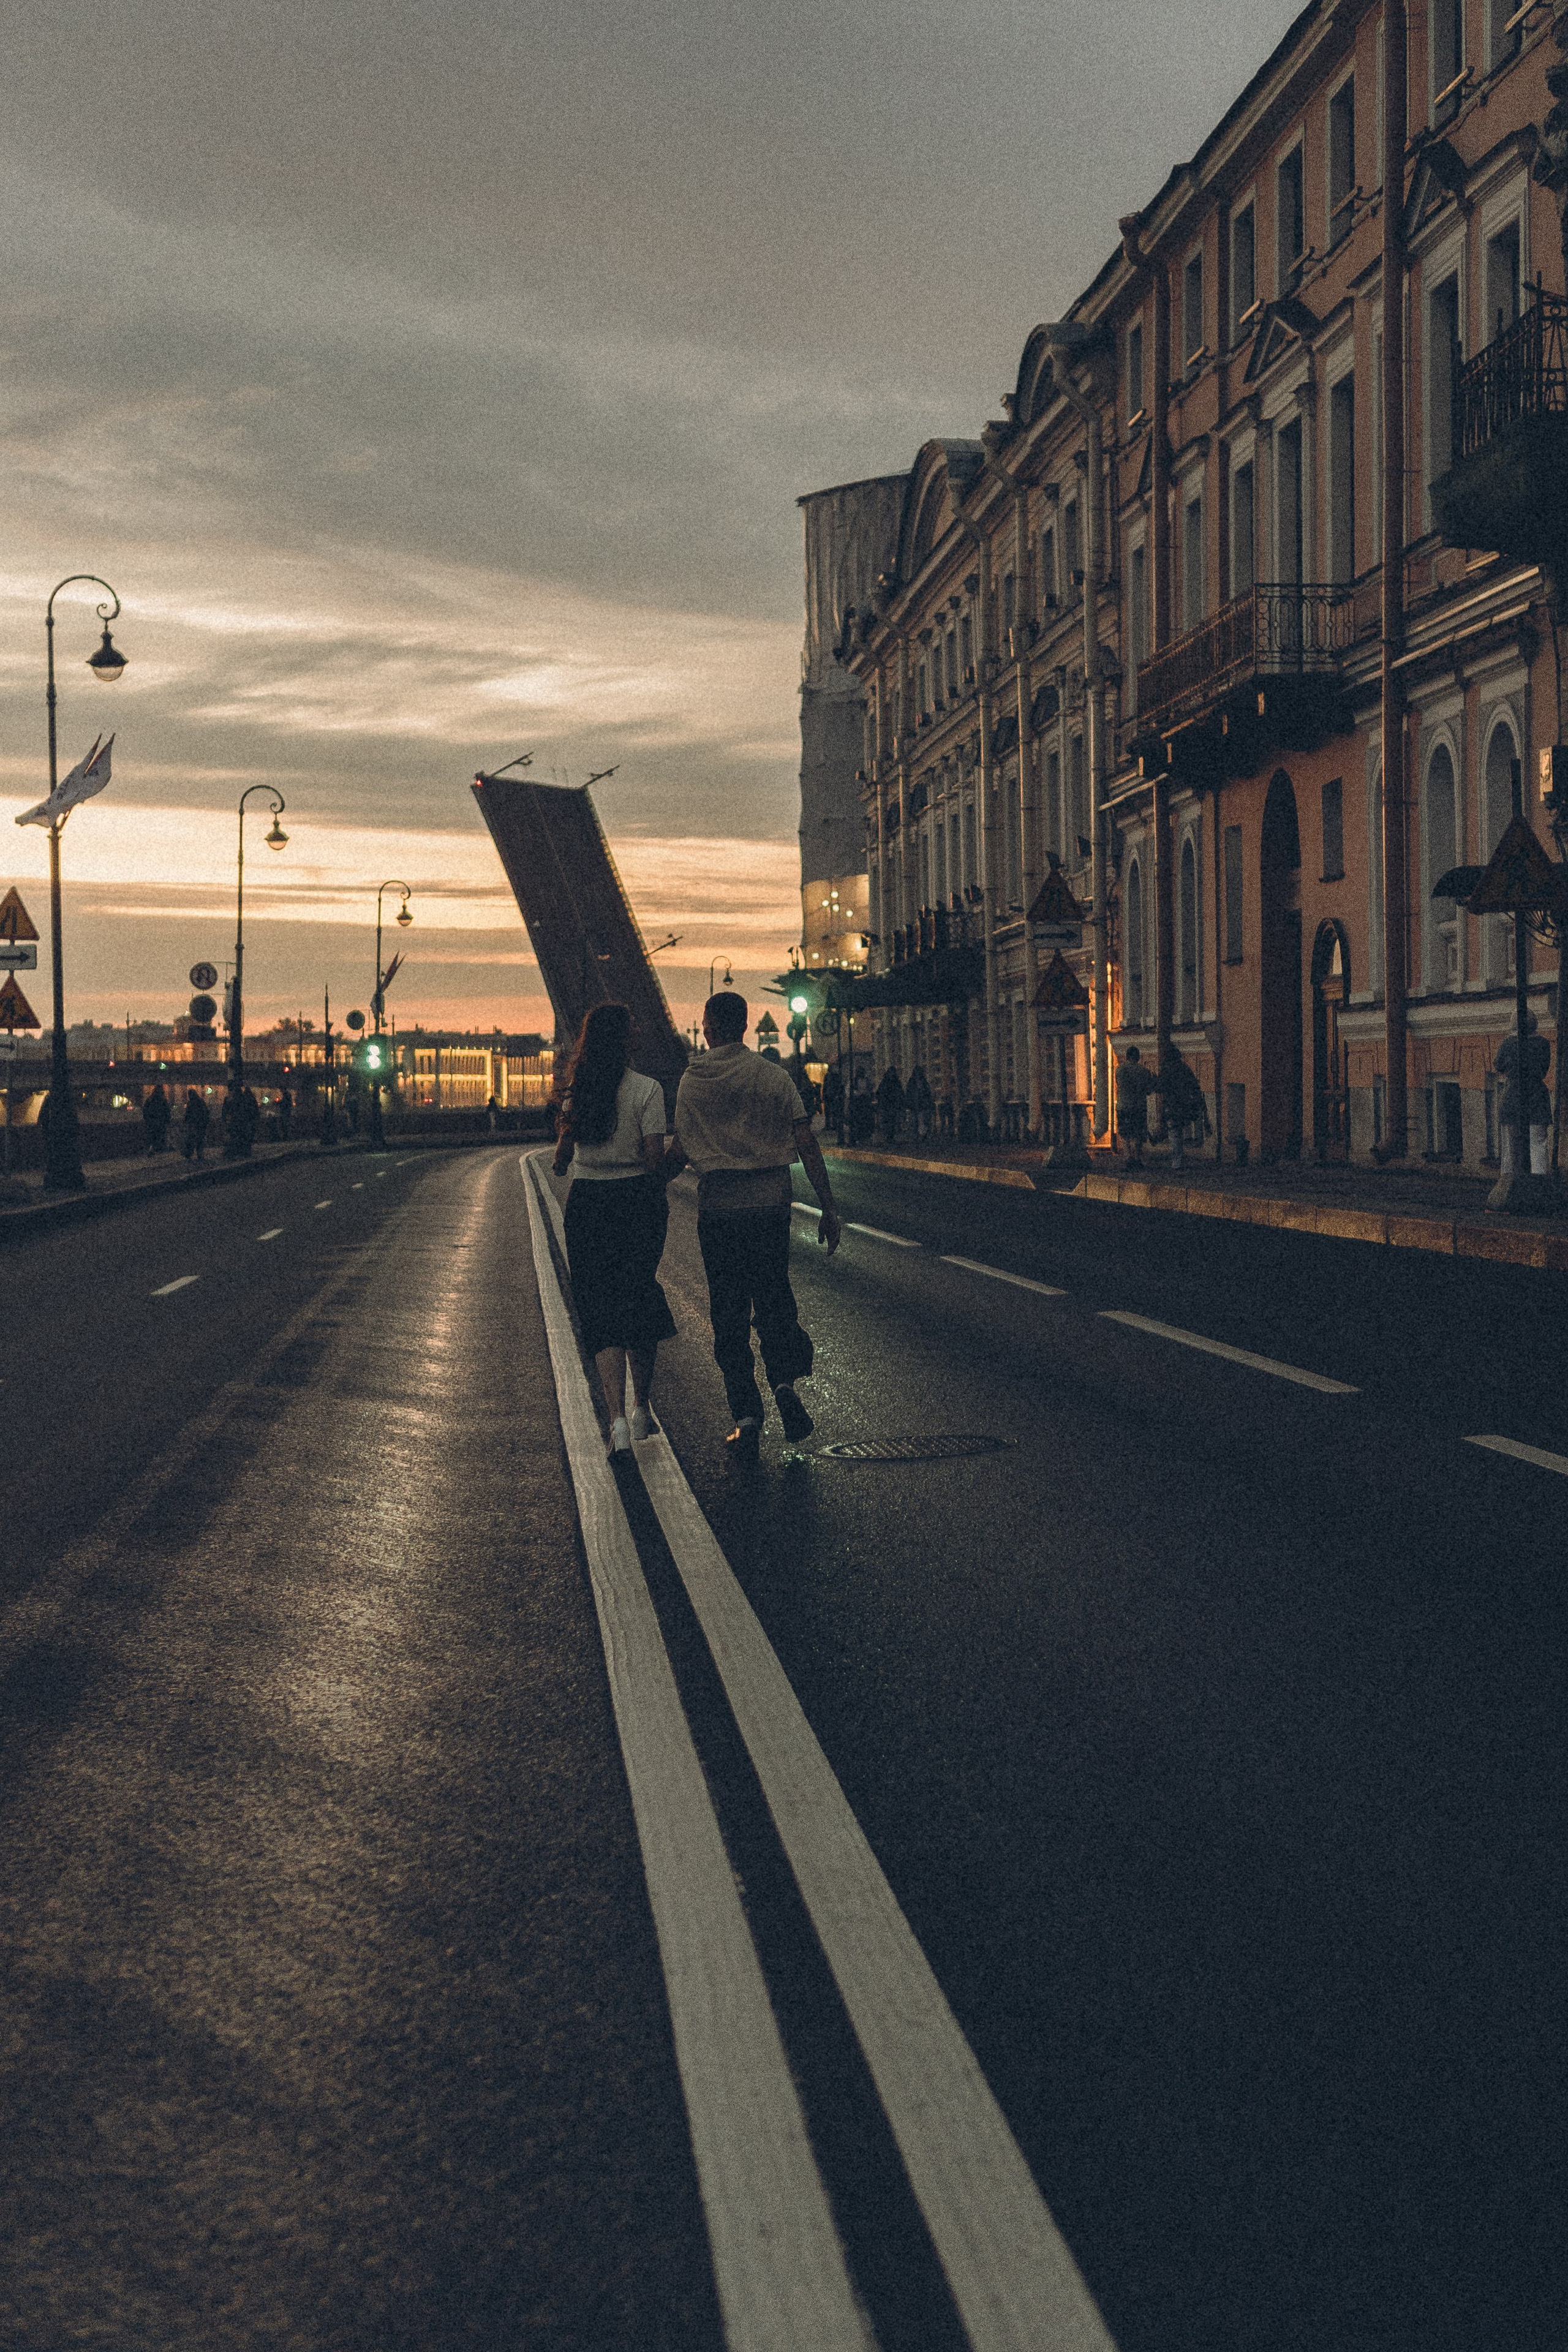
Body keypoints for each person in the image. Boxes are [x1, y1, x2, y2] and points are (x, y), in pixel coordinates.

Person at [662, 990, 842, 1458]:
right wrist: (829, 1207)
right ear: (743, 1026)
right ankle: (783, 1382)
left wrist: (642, 1188)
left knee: (728, 1310)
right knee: (774, 1299)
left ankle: (746, 1412)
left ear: (709, 1027)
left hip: (719, 1211)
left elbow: (678, 1152)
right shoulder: (773, 1076)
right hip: (770, 1208)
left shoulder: (693, 1081)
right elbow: (806, 1144)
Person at [553, 1002, 677, 1455]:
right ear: (625, 1039)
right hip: (636, 1201)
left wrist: (570, 1152)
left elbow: (562, 1162)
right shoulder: (648, 1090)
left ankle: (618, 1422)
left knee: (601, 1309)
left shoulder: (578, 1091)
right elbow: (652, 1160)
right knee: (639, 1294)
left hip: (588, 1204)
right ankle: (643, 1407)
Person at [1495, 1012, 1552, 1175]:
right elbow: (1544, 1069)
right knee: (1539, 1144)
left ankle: (1508, 1185)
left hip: (1512, 1096)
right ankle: (1540, 1186)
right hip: (1537, 1097)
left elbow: (1498, 1065)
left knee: (1510, 1148)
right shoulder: (1543, 1043)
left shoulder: (1508, 1043)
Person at [1156, 1044, 1208, 1172]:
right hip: (1184, 1104)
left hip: (1171, 1104)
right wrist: (1199, 1101)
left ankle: (1177, 1160)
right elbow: (1194, 1085)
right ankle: (1180, 1158)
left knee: (1174, 1132)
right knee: (1180, 1130)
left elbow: (1160, 1087)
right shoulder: (1184, 1068)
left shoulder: (1166, 1070)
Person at [1116, 1045, 1156, 1168]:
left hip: (1124, 1106)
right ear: (1138, 1057)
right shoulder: (1145, 1072)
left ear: (1127, 1057)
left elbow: (1119, 1085)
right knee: (1139, 1133)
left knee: (1125, 1133)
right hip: (1139, 1107)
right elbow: (1149, 1091)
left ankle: (1128, 1157)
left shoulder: (1120, 1070)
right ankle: (1138, 1157)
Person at [876, 1061, 905, 1146]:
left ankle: (890, 1137)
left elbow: (900, 1093)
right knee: (888, 1121)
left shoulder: (894, 1082)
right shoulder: (886, 1082)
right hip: (888, 1105)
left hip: (892, 1105)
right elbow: (880, 1093)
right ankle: (889, 1137)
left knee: (892, 1121)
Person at [906, 1064, 934, 1140]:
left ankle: (923, 1135)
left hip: (922, 1106)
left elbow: (927, 1094)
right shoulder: (912, 1083)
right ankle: (916, 1136)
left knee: (923, 1121)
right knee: (915, 1121)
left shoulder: (923, 1083)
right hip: (915, 1105)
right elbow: (909, 1094)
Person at [141, 1084, 171, 1156]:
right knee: (160, 1137)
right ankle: (159, 1151)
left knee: (152, 1137)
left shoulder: (150, 1100)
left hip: (151, 1122)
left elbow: (145, 1110)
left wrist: (148, 1119)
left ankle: (151, 1150)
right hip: (161, 1122)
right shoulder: (163, 1101)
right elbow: (167, 1111)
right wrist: (166, 1120)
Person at [182, 1088, 209, 1163]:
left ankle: (189, 1154)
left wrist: (187, 1121)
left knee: (192, 1139)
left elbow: (188, 1114)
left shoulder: (191, 1103)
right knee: (199, 1140)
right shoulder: (201, 1102)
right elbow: (205, 1112)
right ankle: (200, 1155)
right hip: (200, 1124)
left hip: (194, 1124)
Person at [849, 1069, 875, 1145]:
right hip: (859, 1103)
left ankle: (863, 1137)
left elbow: (869, 1090)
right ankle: (860, 1137)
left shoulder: (865, 1081)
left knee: (864, 1121)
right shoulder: (855, 1081)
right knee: (859, 1121)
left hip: (864, 1102)